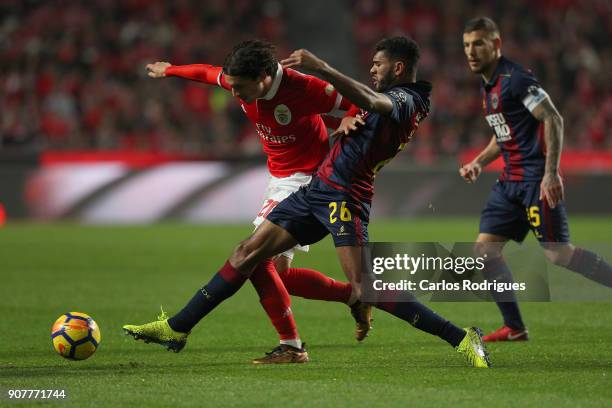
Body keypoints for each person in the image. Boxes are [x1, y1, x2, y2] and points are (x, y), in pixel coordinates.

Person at [125, 36, 491, 368]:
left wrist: (324, 71)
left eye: (378, 64)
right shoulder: (397, 97)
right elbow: (211, 74)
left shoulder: (406, 101)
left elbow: (369, 100)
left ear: (397, 67)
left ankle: (461, 337)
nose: (371, 68)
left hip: (345, 196)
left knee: (366, 287)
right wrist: (170, 69)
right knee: (246, 255)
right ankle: (178, 328)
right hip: (317, 189)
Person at [126, 40, 373, 364]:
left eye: (241, 88)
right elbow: (206, 72)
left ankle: (288, 345)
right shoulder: (240, 81)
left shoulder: (303, 87)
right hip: (280, 178)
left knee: (253, 258)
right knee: (278, 275)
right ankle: (351, 296)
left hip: (305, 180)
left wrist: (347, 118)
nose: (235, 95)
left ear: (264, 78)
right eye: (231, 87)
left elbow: (360, 101)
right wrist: (169, 70)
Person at [460, 17, 612, 342]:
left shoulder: (516, 79)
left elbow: (553, 117)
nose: (471, 51)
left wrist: (551, 172)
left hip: (533, 181)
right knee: (483, 252)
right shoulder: (488, 86)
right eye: (467, 45)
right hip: (508, 183)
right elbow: (502, 134)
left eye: (478, 44)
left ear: (496, 45)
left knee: (559, 254)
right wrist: (478, 162)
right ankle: (514, 327)